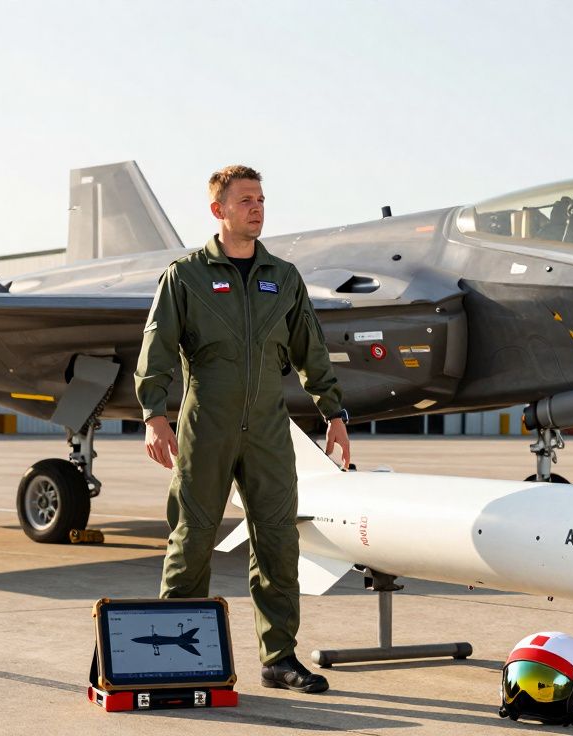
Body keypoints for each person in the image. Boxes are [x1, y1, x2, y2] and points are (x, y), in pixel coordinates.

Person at [135, 165, 350, 694]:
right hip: (204, 425)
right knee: (193, 539)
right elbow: (156, 350)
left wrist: (335, 414)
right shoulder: (184, 276)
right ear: (219, 210)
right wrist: (153, 416)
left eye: (260, 198)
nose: (257, 207)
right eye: (246, 199)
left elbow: (312, 353)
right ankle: (171, 659)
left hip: (269, 431)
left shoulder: (285, 278)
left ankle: (279, 658)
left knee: (278, 540)